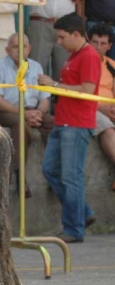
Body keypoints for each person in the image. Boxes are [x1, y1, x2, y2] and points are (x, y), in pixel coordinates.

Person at [38, 12, 101, 243]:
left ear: (76, 34)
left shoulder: (89, 56)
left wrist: (54, 84)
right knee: (51, 170)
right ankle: (82, 214)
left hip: (76, 123)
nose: (59, 42)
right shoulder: (75, 55)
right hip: (63, 121)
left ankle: (74, 228)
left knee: (70, 176)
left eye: (62, 37)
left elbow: (86, 89)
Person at [0, 33, 54, 199]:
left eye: (24, 47)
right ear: (7, 50)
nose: (20, 51)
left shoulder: (36, 66)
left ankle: (55, 173)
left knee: (58, 124)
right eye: (15, 47)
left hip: (33, 110)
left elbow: (45, 98)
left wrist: (39, 112)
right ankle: (20, 175)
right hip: (7, 111)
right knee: (19, 124)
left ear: (30, 49)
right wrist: (25, 114)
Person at [88, 23, 115, 191]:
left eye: (103, 43)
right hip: (92, 109)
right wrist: (102, 108)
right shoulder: (81, 62)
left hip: (111, 109)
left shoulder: (112, 65)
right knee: (108, 130)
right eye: (95, 42)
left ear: (109, 46)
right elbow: (81, 95)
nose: (99, 47)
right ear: (88, 41)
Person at [25, 0, 75, 83]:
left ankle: (58, 96)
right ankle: (35, 95)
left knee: (64, 71)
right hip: (40, 21)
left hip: (66, 25)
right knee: (35, 69)